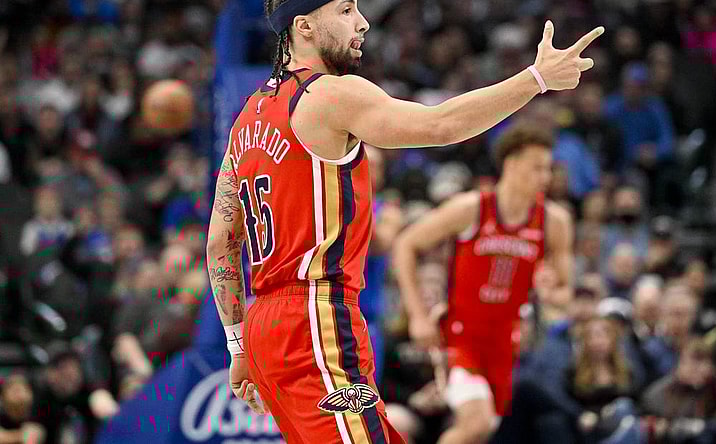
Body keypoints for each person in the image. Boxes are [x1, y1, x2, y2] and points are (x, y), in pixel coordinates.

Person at [205, 0, 604, 441]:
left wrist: (238, 344)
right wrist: (537, 78)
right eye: (345, 10)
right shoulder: (331, 94)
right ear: (304, 26)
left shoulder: (246, 118)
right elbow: (440, 126)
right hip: (313, 317)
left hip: (265, 326)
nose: (363, 22)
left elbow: (220, 243)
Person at [393, 123, 574, 443]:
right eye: (537, 167)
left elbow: (565, 293)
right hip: (461, 335)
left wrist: (549, 290)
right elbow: (406, 244)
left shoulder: (554, 221)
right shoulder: (472, 208)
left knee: (484, 430)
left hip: (506, 341)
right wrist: (419, 315)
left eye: (548, 169)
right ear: (511, 163)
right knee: (475, 423)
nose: (546, 177)